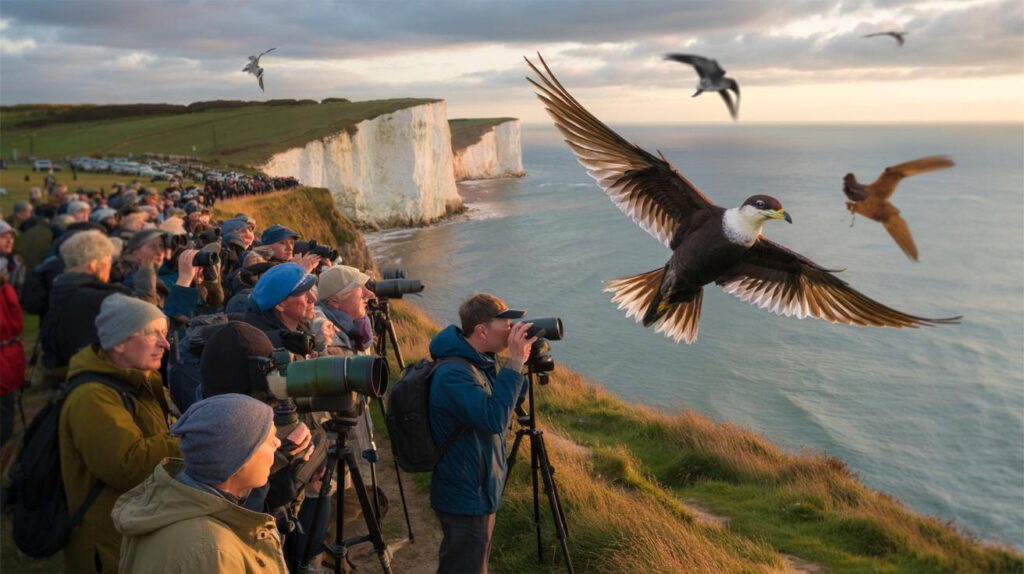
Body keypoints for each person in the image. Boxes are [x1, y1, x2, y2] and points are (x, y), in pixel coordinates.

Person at [59, 294, 182, 573]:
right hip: (108, 544)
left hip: (132, 528)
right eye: (153, 334)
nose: (165, 343)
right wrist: (189, 442)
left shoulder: (141, 379)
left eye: (165, 334)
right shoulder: (92, 397)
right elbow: (127, 464)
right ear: (119, 341)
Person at [112, 394, 288, 573]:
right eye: (269, 440)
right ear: (238, 460)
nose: (278, 443)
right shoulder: (211, 552)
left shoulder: (164, 504)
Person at [428, 293, 535, 574]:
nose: (513, 330)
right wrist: (513, 362)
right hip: (465, 492)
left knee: (473, 564)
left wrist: (522, 364)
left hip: (479, 487)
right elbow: (493, 419)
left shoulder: (479, 361)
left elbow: (504, 402)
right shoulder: (454, 373)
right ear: (482, 331)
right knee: (465, 567)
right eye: (507, 325)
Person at [40, 230, 129, 376]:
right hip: (93, 376)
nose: (110, 267)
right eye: (108, 261)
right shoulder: (99, 298)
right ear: (94, 265)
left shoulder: (61, 287)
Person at [243, 262, 317, 347]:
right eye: (304, 294)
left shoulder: (299, 327)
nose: (314, 298)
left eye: (311, 290)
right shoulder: (271, 349)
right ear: (280, 305)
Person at [0, 220, 26, 446]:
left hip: (9, 353)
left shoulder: (13, 265)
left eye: (11, 236)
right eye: (3, 236)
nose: (9, 240)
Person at [313, 265, 375, 355]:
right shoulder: (327, 341)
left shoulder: (358, 329)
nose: (370, 293)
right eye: (359, 288)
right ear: (334, 302)